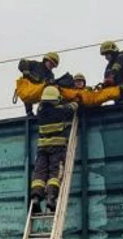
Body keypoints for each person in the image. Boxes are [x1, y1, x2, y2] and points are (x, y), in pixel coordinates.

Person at [31, 86, 78, 214]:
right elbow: (72, 107)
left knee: (39, 174)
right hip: (57, 149)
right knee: (55, 174)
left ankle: (36, 198)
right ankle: (51, 198)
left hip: (42, 148)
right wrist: (75, 101)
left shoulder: (40, 111)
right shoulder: (60, 111)